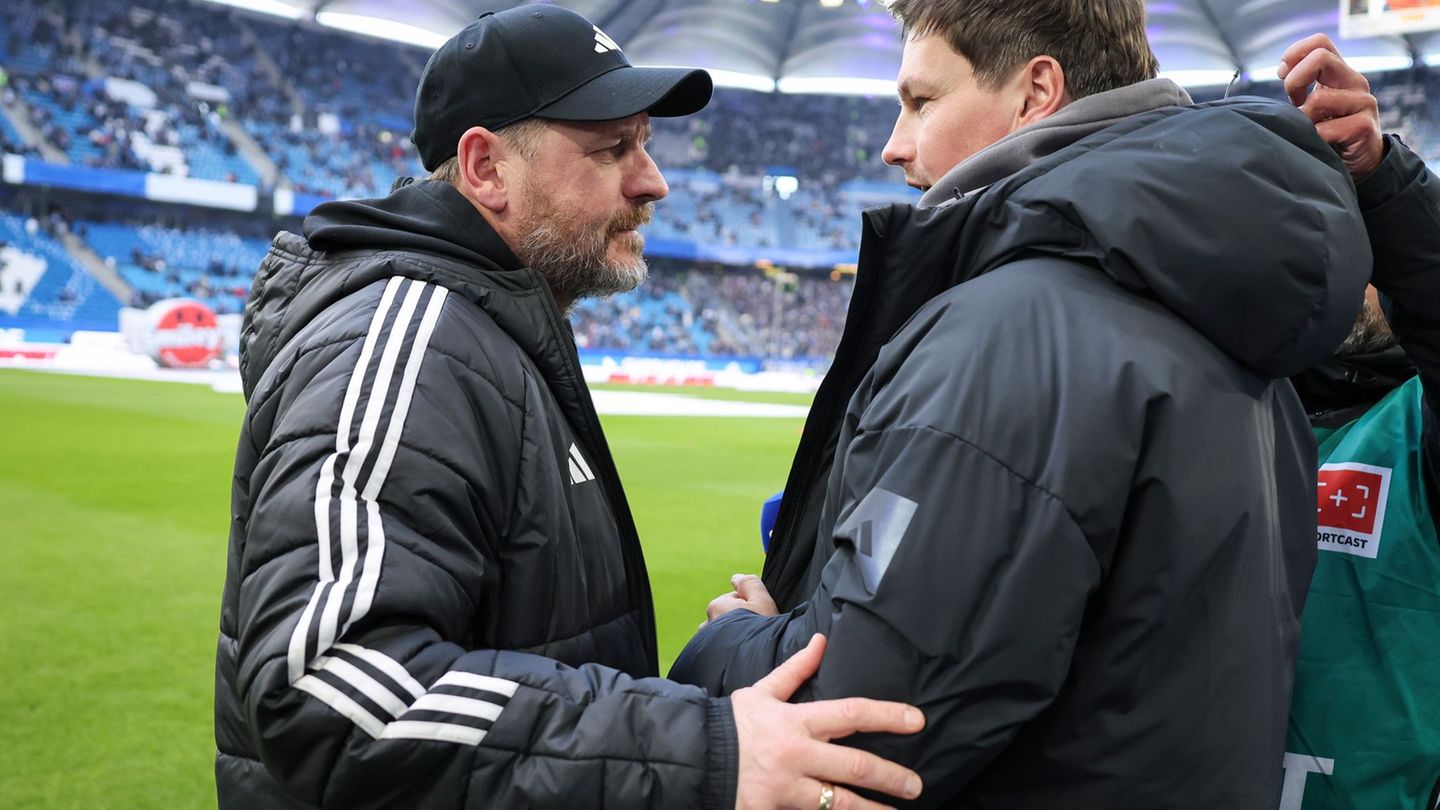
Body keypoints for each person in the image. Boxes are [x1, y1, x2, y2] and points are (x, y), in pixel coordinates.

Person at [213, 8, 926, 809]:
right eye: (611, 148)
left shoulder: (489, 331)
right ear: (486, 168)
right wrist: (703, 751)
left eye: (645, 144)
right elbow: (326, 686)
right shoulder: (409, 338)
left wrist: (731, 665)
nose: (652, 181)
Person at [669, 1, 1372, 807]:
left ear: (1036, 92)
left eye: (921, 102)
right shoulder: (1227, 321)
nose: (894, 145)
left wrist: (731, 643)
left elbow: (866, 726)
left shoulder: (1011, 333)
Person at [1273, 35, 1440, 810]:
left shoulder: (1419, 425)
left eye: (1376, 246)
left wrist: (1381, 179)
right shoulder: (1233, 401)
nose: (1353, 268)